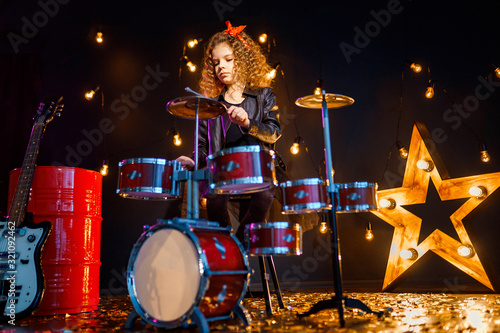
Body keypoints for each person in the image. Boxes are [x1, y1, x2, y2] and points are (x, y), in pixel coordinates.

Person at [176, 21, 281, 241]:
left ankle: (237, 249)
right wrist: (193, 160)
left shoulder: (263, 96)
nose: (220, 67)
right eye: (216, 63)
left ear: (242, 60)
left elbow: (273, 132)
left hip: (256, 173)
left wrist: (248, 123)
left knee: (264, 194)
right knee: (214, 195)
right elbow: (203, 148)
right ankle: (226, 244)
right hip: (224, 175)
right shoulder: (210, 106)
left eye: (228, 60)